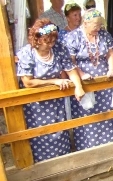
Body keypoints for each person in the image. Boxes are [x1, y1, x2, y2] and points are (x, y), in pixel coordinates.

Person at [16, 19, 85, 162]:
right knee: (41, 135)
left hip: (56, 103)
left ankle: (63, 162)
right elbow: (28, 81)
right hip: (35, 106)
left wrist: (78, 86)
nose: (50, 45)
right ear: (37, 39)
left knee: (60, 131)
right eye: (47, 41)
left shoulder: (58, 48)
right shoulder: (27, 53)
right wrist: (54, 81)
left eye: (53, 41)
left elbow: (70, 69)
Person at [64, 9, 113, 150]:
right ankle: (89, 148)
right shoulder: (73, 37)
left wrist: (111, 69)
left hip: (104, 83)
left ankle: (111, 146)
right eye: (95, 25)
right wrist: (82, 74)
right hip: (84, 83)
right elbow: (70, 62)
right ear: (85, 23)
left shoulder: (103, 35)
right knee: (88, 115)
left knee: (108, 113)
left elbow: (110, 54)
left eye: (99, 25)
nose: (98, 28)